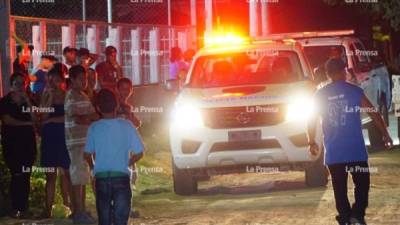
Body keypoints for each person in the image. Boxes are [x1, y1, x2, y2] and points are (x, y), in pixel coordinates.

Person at [307, 58, 393, 225]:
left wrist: (311, 142)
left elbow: (311, 120)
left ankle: (345, 218)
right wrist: (385, 134)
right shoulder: (354, 91)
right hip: (355, 152)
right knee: (362, 185)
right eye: (344, 70)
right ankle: (357, 214)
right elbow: (373, 113)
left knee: (339, 189)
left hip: (334, 154)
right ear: (341, 72)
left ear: (328, 74)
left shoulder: (320, 94)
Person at [84, 89, 144, 225]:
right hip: (121, 178)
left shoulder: (94, 127)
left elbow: (86, 154)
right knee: (121, 220)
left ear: (98, 108)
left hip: (101, 179)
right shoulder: (127, 126)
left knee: (104, 219)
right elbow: (139, 152)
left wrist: (93, 168)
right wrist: (127, 163)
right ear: (117, 105)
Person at [0, 73, 38, 219]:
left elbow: (35, 118)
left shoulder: (29, 101)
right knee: (16, 174)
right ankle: (15, 207)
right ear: (11, 85)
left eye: (23, 83)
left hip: (28, 144)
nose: (20, 87)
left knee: (26, 175)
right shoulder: (5, 102)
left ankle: (24, 208)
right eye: (17, 84)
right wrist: (27, 124)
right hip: (12, 144)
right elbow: (7, 120)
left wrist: (27, 101)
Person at [65, 65, 99, 224]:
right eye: (81, 79)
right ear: (72, 80)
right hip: (76, 142)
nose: (85, 81)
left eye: (85, 78)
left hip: (85, 141)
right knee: (78, 178)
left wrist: (89, 118)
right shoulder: (71, 95)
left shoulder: (83, 95)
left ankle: (82, 210)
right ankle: (78, 212)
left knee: (83, 177)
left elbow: (93, 114)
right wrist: (89, 118)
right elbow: (77, 118)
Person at [39, 64, 72, 218]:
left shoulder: (68, 96)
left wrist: (52, 119)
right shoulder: (45, 95)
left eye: (56, 80)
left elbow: (70, 118)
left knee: (66, 173)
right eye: (50, 79)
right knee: (50, 175)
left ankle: (68, 206)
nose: (53, 83)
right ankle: (47, 209)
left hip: (63, 137)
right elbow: (43, 117)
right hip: (50, 138)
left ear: (62, 81)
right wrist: (50, 98)